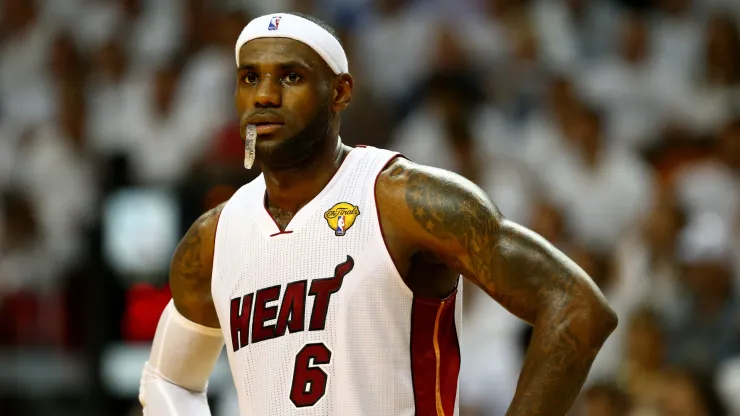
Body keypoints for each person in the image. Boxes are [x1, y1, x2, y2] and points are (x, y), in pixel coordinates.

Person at [138, 12, 618, 416]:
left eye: (290, 76)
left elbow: (576, 307)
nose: (264, 95)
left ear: (340, 92)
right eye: (249, 78)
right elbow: (168, 379)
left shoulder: (403, 199)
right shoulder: (214, 237)